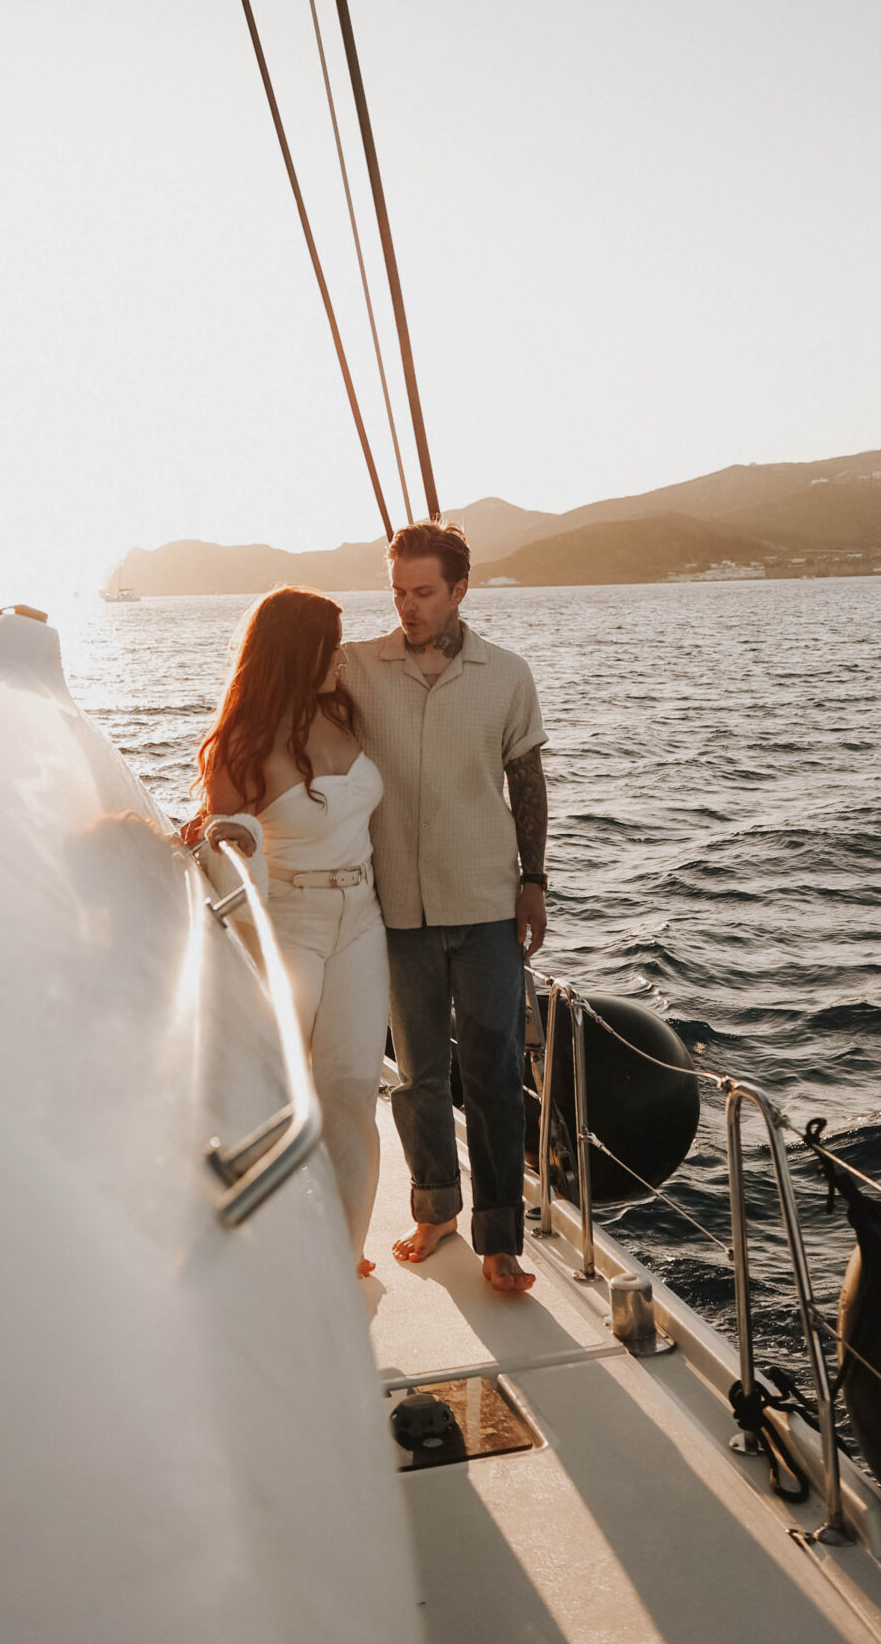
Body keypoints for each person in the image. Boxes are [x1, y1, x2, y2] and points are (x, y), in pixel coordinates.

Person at [345, 521, 550, 1297]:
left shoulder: (507, 675)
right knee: (418, 1073)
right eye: (398, 592)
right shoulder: (356, 668)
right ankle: (434, 1210)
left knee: (495, 1070)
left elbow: (527, 785)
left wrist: (534, 881)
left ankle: (501, 1236)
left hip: (488, 901)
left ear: (460, 589)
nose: (408, 607)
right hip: (395, 905)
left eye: (423, 592)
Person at [184, 587, 388, 1272]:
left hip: (363, 918)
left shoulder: (345, 711)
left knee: (352, 1087)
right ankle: (271, 1247)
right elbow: (227, 841)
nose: (340, 655)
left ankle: (343, 1250)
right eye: (328, 645)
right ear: (296, 653)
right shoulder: (241, 744)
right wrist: (219, 837)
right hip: (289, 924)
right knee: (274, 1084)